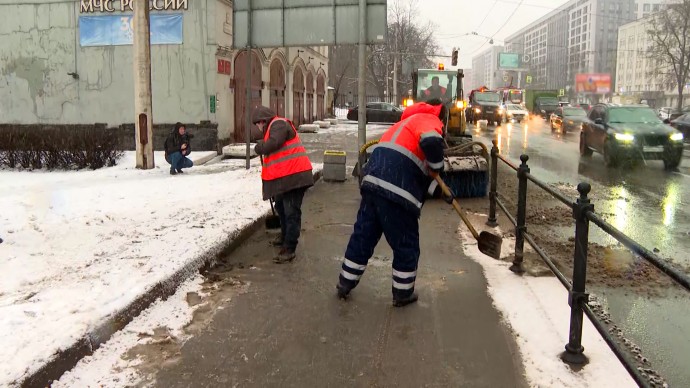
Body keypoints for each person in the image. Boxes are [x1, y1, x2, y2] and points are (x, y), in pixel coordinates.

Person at [336, 99, 447, 307]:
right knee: (406, 243)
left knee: (364, 236)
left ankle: (345, 282)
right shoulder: (429, 119)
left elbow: (415, 165)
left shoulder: (404, 124)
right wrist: (438, 167)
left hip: (372, 182)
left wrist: (436, 189)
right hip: (397, 189)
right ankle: (403, 293)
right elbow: (431, 143)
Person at [252, 106, 314, 264]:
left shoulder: (278, 124)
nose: (258, 127)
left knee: (291, 211)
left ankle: (289, 248)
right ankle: (285, 236)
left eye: (258, 123)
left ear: (263, 120)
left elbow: (274, 143)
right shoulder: (272, 128)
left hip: (296, 177)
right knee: (280, 206)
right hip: (287, 178)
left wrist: (260, 147)